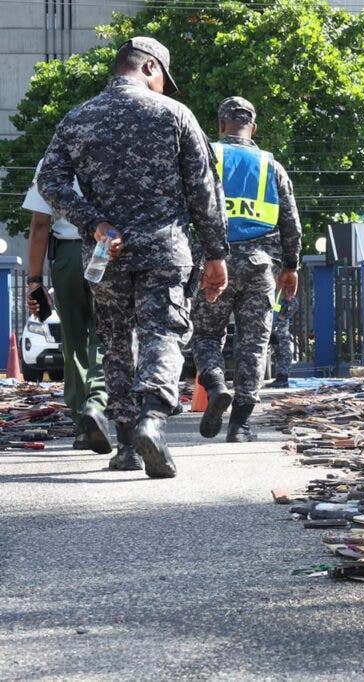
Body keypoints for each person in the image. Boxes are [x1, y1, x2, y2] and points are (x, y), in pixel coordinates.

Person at [38, 37, 229, 479]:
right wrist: (217, 254)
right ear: (148, 67)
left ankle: (126, 447)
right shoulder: (175, 116)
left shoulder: (78, 118)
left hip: (107, 251)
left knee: (117, 342)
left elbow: (50, 181)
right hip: (165, 248)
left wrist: (93, 222)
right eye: (163, 77)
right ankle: (151, 419)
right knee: (163, 331)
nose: (164, 87)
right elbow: (204, 192)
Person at [192, 96, 301, 442]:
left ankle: (215, 383)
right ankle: (239, 426)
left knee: (207, 335)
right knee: (254, 345)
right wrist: (291, 267)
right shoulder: (271, 166)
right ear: (253, 128)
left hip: (214, 265)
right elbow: (291, 224)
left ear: (221, 124)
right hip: (259, 268)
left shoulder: (206, 156)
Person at [22, 160, 110, 456]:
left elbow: (40, 225)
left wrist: (35, 280)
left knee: (73, 339)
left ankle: (83, 422)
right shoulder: (115, 152)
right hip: (108, 250)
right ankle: (98, 404)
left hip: (68, 256)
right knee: (108, 334)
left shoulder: (51, 162)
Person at [267, 291, 296, 389]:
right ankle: (280, 377)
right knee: (277, 353)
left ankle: (283, 378)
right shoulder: (274, 292)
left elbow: (293, 304)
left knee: (284, 352)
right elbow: (275, 308)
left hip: (280, 328)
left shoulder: (285, 290)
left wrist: (282, 317)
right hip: (272, 326)